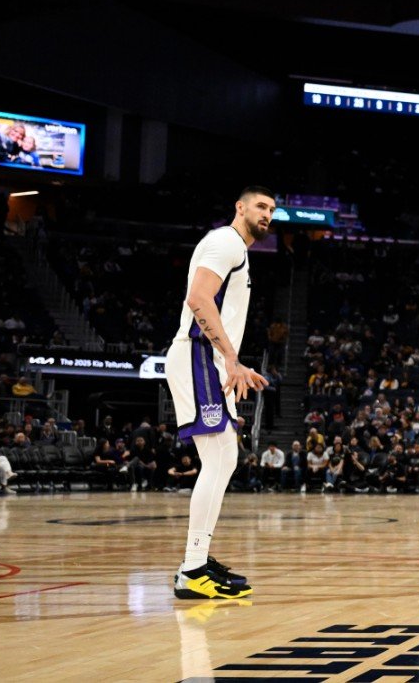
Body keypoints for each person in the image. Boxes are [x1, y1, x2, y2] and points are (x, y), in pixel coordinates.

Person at [167, 186, 273, 601]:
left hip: (208, 361)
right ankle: (192, 569)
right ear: (240, 207)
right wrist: (231, 357)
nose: (267, 214)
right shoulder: (225, 241)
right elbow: (197, 297)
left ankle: (198, 560)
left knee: (225, 457)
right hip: (200, 356)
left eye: (271, 210)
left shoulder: (238, 252)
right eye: (260, 206)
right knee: (219, 458)